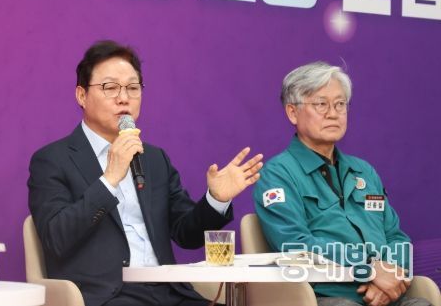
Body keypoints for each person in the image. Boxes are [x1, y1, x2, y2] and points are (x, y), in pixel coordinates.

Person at [28, 40, 263, 306]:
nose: (123, 98)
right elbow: (56, 239)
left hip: (170, 293)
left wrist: (216, 199)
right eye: (110, 87)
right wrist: (109, 180)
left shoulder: (154, 159)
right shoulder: (53, 160)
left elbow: (186, 234)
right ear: (82, 96)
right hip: (108, 297)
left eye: (132, 88)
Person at [253, 61, 430, 306]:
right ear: (292, 112)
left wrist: (392, 276)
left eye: (340, 104)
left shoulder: (364, 171)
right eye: (321, 104)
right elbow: (295, 244)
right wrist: (368, 268)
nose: (333, 113)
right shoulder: (278, 174)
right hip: (326, 297)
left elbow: (395, 236)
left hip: (384, 294)